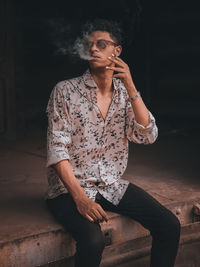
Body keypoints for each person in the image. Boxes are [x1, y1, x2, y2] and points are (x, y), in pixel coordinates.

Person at [45, 19, 180, 267]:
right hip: (68, 190)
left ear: (117, 51)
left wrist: (130, 85)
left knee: (170, 225)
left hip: (110, 184)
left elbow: (147, 135)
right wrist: (81, 198)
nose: (93, 49)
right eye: (89, 45)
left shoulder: (124, 94)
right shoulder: (64, 91)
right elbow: (57, 148)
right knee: (93, 242)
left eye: (101, 44)